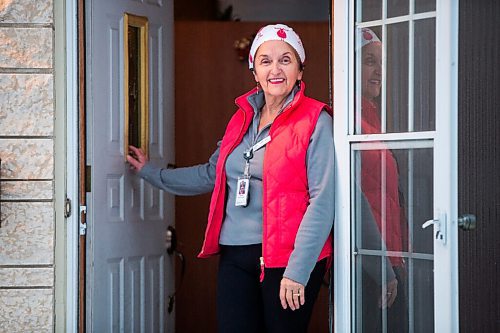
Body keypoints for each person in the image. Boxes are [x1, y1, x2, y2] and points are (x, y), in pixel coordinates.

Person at [127, 24, 334, 333]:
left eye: (285, 60)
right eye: (265, 61)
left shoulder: (317, 120)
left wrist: (298, 270)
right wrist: (150, 173)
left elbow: (323, 200)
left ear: (300, 70)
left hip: (288, 258)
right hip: (236, 255)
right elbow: (212, 174)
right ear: (254, 72)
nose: (275, 69)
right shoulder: (241, 118)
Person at [357, 27, 408, 332]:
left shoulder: (371, 120)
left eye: (381, 61)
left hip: (388, 256)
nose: (378, 70)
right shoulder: (347, 124)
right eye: (368, 61)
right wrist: (381, 267)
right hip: (370, 262)